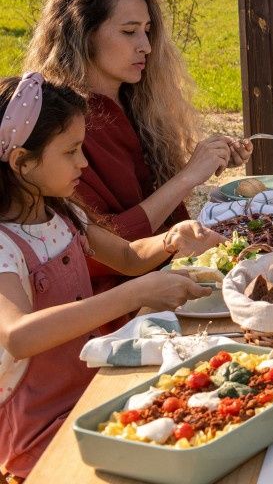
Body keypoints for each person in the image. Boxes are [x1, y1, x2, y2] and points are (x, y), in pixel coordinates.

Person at [0, 74, 215, 478]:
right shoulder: (4, 245)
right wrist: (134, 295)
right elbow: (18, 335)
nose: (83, 163)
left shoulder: (63, 213)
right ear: (22, 162)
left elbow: (129, 257)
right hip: (40, 435)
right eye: (71, 151)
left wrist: (171, 240)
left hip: (94, 396)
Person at [23, 0, 251, 301]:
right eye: (129, 32)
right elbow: (112, 247)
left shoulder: (137, 102)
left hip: (172, 272)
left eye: (147, 30)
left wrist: (209, 159)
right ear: (83, 35)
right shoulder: (61, 129)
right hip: (119, 303)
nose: (146, 45)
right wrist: (188, 177)